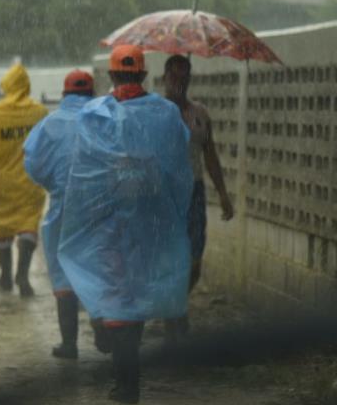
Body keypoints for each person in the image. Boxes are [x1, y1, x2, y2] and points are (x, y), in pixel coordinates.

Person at [58, 45, 194, 403]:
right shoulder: (165, 113)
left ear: (113, 75)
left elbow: (81, 176)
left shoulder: (93, 115)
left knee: (117, 294)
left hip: (110, 224)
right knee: (136, 292)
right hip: (149, 223)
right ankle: (126, 376)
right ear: (144, 75)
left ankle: (125, 377)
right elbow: (180, 170)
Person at [23, 69, 95, 360]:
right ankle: (106, 332)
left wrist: (55, 183)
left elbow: (32, 165)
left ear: (64, 95)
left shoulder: (48, 124)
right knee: (96, 269)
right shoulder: (104, 118)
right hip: (99, 209)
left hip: (63, 208)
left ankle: (69, 344)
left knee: (63, 276)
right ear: (91, 93)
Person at [162, 54, 235, 336]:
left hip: (193, 192)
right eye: (175, 75)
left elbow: (211, 155)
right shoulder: (155, 112)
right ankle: (173, 314)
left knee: (194, 262)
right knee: (170, 259)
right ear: (165, 77)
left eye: (185, 76)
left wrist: (224, 194)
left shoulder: (200, 115)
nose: (180, 81)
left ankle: (176, 303)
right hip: (165, 194)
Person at [0, 62, 48, 297]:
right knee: (29, 226)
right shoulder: (39, 112)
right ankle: (23, 276)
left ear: (7, 86)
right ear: (26, 85)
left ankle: (6, 277)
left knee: (4, 229)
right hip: (31, 180)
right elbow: (46, 145)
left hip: (3, 182)